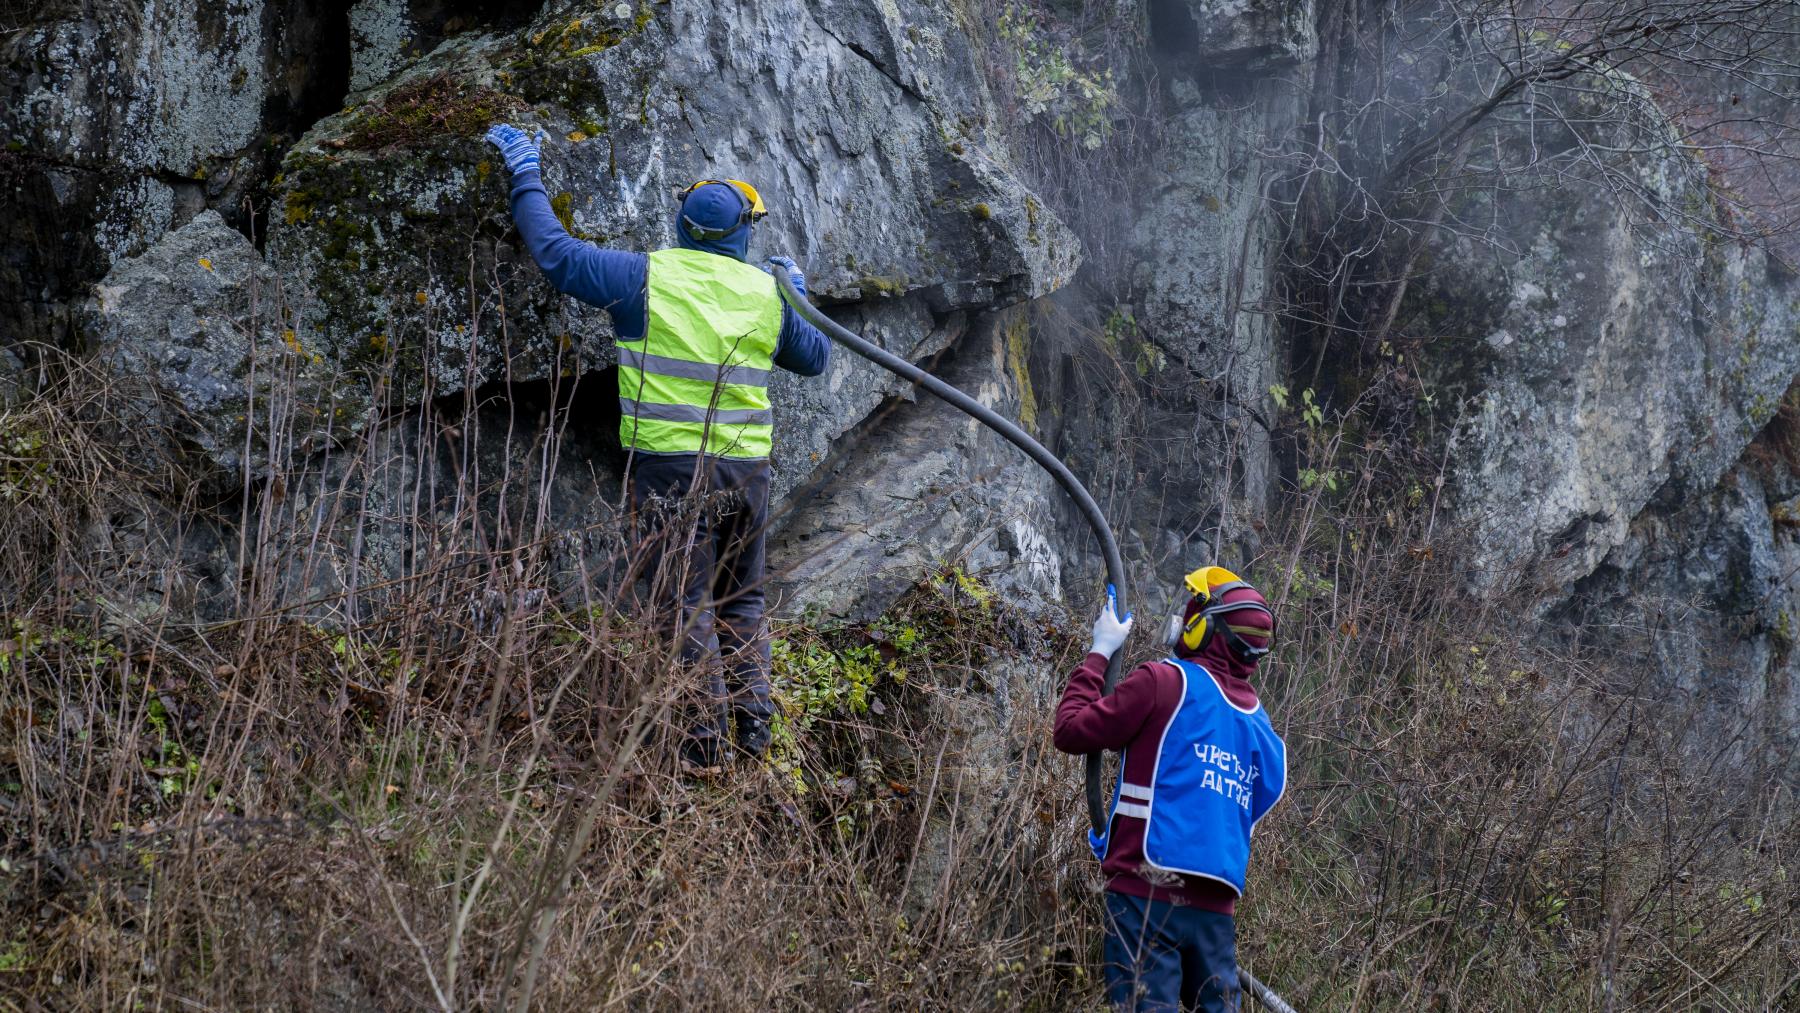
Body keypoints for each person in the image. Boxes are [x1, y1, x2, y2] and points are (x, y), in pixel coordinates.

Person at [484, 123, 831, 766]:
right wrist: (796, 295)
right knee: (743, 599)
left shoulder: (641, 278)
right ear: (743, 236)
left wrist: (526, 172)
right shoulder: (765, 294)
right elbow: (814, 359)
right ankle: (753, 735)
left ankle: (702, 749)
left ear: (681, 226)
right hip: (746, 477)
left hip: (672, 475)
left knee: (685, 602)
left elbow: (557, 255)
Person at [1054, 566, 1287, 1012]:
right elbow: (1252, 805)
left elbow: (1069, 731)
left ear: (1204, 628)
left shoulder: (1163, 683)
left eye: (1192, 610)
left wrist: (1099, 652)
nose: (1182, 618)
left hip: (1144, 899)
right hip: (1215, 916)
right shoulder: (1263, 732)